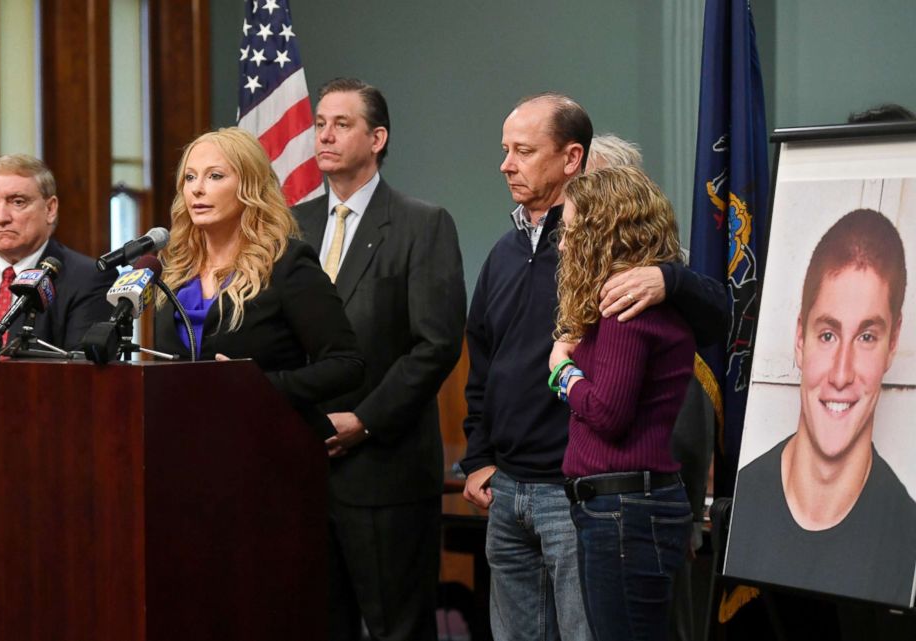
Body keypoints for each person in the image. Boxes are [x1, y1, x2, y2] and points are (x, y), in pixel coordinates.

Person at [461, 93, 726, 641]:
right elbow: (483, 362)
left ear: (573, 162)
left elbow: (720, 313)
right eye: (506, 150)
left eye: (523, 151)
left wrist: (669, 279)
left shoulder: (625, 275)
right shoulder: (504, 253)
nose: (506, 164)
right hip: (509, 489)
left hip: (582, 491)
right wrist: (479, 457)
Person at [292, 78, 466, 641]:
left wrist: (363, 421)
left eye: (341, 124)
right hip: (302, 467)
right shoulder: (290, 225)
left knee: (398, 630)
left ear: (378, 137)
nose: (325, 134)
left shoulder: (422, 223)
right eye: (319, 123)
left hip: (385, 471)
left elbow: (435, 344)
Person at [725, 208, 916, 608]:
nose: (842, 374)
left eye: (866, 336)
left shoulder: (905, 529)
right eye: (827, 334)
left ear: (893, 342)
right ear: (800, 338)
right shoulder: (742, 501)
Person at [553, 165, 695, 641]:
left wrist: (561, 371)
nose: (562, 244)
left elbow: (609, 415)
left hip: (624, 510)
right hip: (625, 507)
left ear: (602, 234)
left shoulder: (625, 309)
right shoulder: (640, 300)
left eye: (571, 231)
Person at [152, 127, 364, 436]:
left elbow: (346, 364)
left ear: (249, 187)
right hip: (185, 446)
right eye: (189, 177)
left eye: (214, 176)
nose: (197, 189)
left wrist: (259, 385)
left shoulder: (286, 263)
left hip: (267, 448)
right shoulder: (174, 270)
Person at [0, 154, 115, 468]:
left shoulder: (87, 278)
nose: (1, 217)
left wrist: (12, 447)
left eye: (17, 202)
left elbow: (82, 383)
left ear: (50, 208)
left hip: (45, 463)